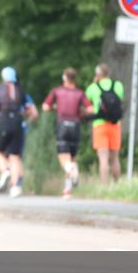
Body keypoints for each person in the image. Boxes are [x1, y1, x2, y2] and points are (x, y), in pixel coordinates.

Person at [0, 66, 38, 197]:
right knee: (15, 156)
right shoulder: (21, 91)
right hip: (18, 124)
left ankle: (5, 171)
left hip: (3, 122)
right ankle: (15, 187)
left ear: (3, 77)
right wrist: (26, 121)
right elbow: (33, 112)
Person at [42, 68, 92, 198]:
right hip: (75, 126)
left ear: (64, 77)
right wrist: (80, 112)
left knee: (65, 161)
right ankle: (67, 190)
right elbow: (91, 109)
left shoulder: (57, 91)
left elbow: (45, 107)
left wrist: (56, 107)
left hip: (62, 126)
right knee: (71, 159)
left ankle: (73, 173)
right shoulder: (80, 93)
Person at [85, 63, 124, 185]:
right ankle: (117, 186)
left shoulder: (93, 87)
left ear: (98, 74)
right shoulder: (118, 85)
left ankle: (105, 186)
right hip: (115, 124)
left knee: (103, 159)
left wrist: (94, 82)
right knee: (115, 158)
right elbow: (120, 99)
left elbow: (87, 102)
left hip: (100, 124)